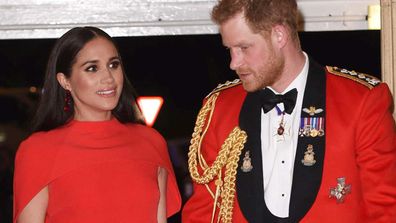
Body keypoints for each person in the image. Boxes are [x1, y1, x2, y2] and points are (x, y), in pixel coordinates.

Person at [182, 0, 396, 222]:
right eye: (230, 49)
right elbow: (203, 212)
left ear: (279, 35)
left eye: (244, 48)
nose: (234, 63)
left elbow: (386, 208)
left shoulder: (360, 101)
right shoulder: (219, 108)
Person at [13, 26, 181, 223]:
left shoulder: (150, 141)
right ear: (65, 81)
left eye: (113, 65)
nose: (108, 78)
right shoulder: (37, 151)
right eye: (92, 68)